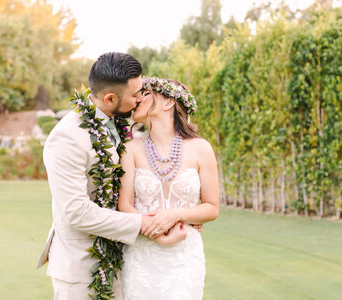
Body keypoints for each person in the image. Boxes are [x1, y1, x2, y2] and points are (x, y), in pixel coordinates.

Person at [36, 53, 180, 300]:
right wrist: (148, 225)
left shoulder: (123, 126)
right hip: (81, 268)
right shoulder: (67, 138)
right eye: (135, 95)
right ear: (110, 98)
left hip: (123, 261)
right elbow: (77, 211)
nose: (140, 99)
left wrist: (178, 214)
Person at [118, 77, 220, 300]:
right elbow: (124, 205)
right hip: (141, 255)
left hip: (184, 257)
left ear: (168, 103)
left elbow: (212, 208)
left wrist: (176, 214)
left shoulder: (200, 148)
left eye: (145, 94)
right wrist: (155, 231)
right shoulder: (130, 149)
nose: (137, 99)